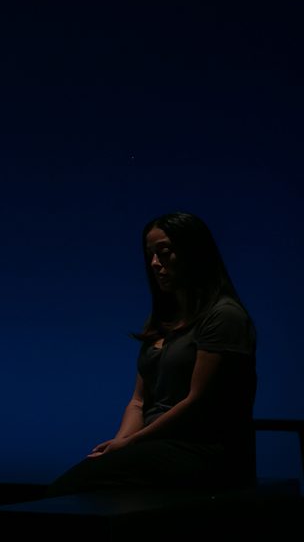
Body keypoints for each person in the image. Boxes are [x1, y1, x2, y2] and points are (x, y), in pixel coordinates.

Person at [50, 211, 257, 495]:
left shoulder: (223, 316)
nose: (155, 264)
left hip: (200, 449)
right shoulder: (163, 322)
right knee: (75, 487)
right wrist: (119, 442)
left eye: (165, 252)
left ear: (193, 253)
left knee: (73, 488)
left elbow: (198, 400)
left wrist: (132, 443)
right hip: (152, 447)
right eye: (151, 255)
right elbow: (138, 402)